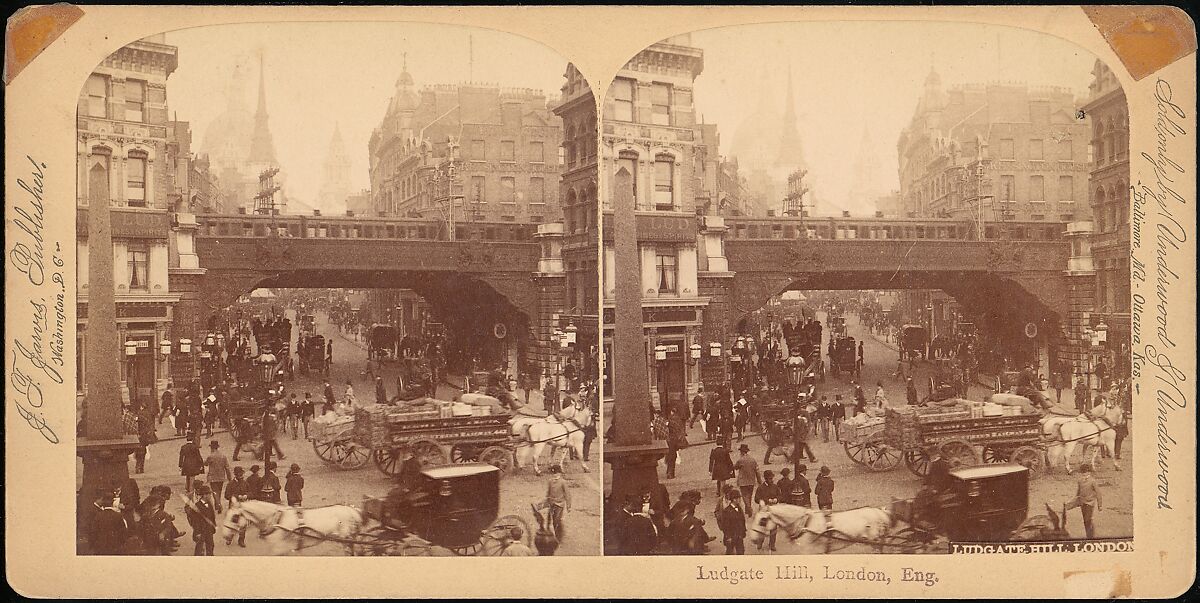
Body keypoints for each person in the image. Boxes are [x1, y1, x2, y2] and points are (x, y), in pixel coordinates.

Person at [1066, 465, 1103, 538]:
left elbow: (1098, 493)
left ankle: (1090, 536)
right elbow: (1078, 492)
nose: (1084, 474)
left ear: (1089, 472)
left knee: (1087, 519)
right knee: (1085, 520)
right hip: (1082, 503)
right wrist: (1074, 501)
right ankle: (1089, 535)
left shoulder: (1093, 481)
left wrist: (1100, 505)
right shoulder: (1080, 481)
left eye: (1085, 472)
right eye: (1083, 473)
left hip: (1090, 503)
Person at [89, 489, 129, 555]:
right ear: (112, 502)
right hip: (115, 548)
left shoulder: (98, 516)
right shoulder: (118, 516)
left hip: (101, 548)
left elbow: (93, 533)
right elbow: (123, 533)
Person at [186, 483, 217, 556]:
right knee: (199, 548)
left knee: (210, 546)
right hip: (201, 531)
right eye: (209, 494)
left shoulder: (209, 504)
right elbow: (195, 522)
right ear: (204, 495)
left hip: (209, 530)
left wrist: (213, 527)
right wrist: (197, 532)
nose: (210, 496)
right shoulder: (197, 506)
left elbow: (212, 517)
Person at [716, 486, 747, 555]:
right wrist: (728, 536)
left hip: (739, 535)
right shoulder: (726, 511)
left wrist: (743, 531)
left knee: (741, 551)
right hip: (731, 536)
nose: (740, 500)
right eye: (738, 498)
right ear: (734, 499)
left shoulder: (739, 509)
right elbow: (726, 526)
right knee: (730, 552)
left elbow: (742, 521)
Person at [544, 465, 571, 540]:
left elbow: (567, 494)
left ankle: (559, 537)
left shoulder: (563, 482)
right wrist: (547, 501)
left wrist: (568, 506)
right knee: (553, 520)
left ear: (559, 473)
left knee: (557, 520)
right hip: (552, 503)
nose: (555, 475)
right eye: (553, 473)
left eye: (556, 473)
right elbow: (548, 492)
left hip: (559, 504)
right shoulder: (550, 481)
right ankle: (557, 534)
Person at [205, 440, 233, 513]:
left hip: (212, 477)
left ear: (211, 447)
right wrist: (229, 478)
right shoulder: (223, 456)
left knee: (214, 491)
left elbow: (206, 464)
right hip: (221, 476)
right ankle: (217, 504)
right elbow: (227, 468)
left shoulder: (211, 456)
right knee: (219, 491)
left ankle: (218, 504)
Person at [734, 443, 760, 518]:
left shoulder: (740, 460)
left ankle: (749, 508)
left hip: (743, 481)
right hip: (751, 480)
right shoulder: (753, 460)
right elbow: (757, 471)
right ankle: (747, 510)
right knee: (749, 495)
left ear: (741, 452)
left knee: (744, 496)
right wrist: (759, 481)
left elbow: (735, 467)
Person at [665, 407, 688, 479]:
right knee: (673, 456)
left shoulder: (670, 420)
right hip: (676, 440)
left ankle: (669, 472)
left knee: (670, 456)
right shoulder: (678, 420)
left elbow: (667, 430)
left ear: (672, 412)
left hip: (670, 440)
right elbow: (681, 430)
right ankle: (671, 473)